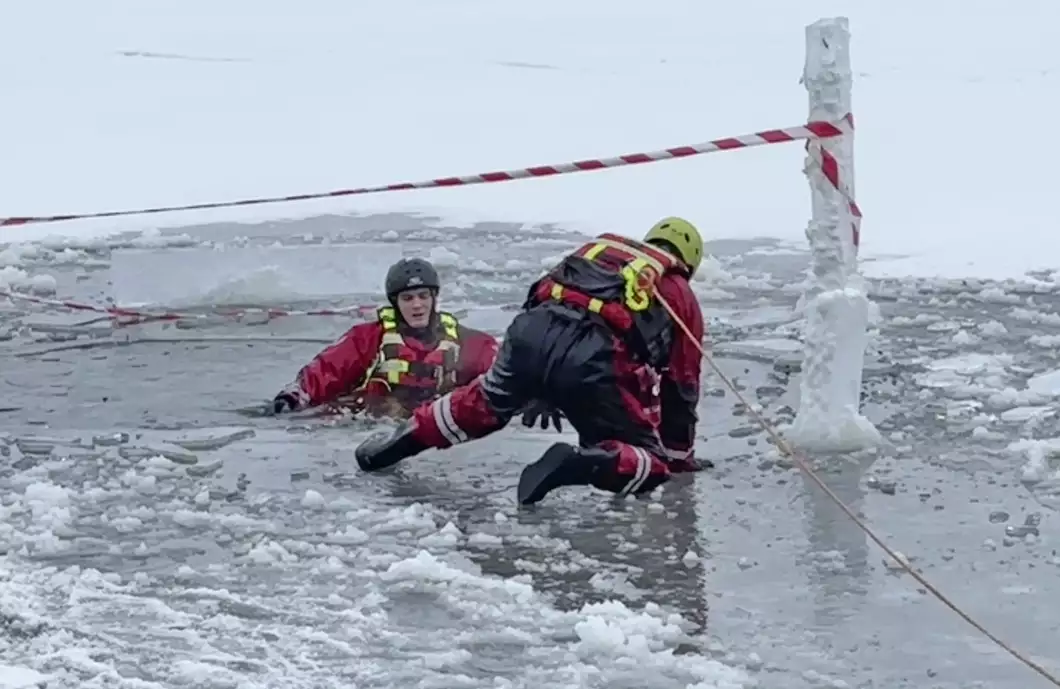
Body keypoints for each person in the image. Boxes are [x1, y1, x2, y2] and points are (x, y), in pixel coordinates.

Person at [354, 217, 712, 504]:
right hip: (595, 353)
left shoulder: (600, 246)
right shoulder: (679, 292)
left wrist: (538, 387)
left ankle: (398, 442)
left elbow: (541, 292)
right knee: (651, 462)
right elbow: (681, 386)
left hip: (530, 331)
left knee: (483, 403)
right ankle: (580, 464)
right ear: (689, 262)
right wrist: (678, 458)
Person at [272, 257, 499, 418]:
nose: (417, 305)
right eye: (408, 298)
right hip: (375, 420)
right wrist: (293, 397)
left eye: (423, 296)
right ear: (395, 303)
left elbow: (503, 369)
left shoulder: (466, 342)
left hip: (436, 427)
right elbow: (325, 371)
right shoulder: (367, 339)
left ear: (434, 298)